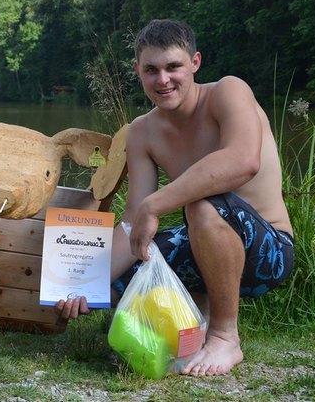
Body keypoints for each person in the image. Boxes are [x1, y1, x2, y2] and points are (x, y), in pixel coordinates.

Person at [55, 19, 294, 377]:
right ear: (137, 70)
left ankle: (225, 336)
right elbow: (134, 217)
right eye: (151, 70)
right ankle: (197, 315)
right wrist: (88, 284)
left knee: (203, 204)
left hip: (267, 252)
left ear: (195, 62)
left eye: (173, 67)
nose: (163, 80)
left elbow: (243, 161)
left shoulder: (229, 92)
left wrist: (157, 203)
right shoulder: (142, 132)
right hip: (201, 243)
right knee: (126, 279)